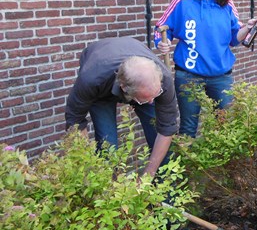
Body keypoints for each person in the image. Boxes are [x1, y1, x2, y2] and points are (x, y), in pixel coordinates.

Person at [155, 0, 257, 137]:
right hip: (189, 75)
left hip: (221, 76)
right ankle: (188, 166)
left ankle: (221, 166)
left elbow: (234, 38)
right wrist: (162, 43)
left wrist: (248, 27)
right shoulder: (183, 0)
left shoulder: (226, 3)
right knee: (188, 128)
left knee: (225, 126)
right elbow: (161, 28)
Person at [65, 37, 179, 178]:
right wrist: (89, 165)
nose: (151, 102)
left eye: (154, 96)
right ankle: (109, 192)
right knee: (108, 147)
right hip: (103, 89)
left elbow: (167, 129)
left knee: (160, 144)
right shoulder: (91, 80)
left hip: (138, 81)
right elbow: (75, 121)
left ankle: (165, 196)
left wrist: (148, 175)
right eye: (145, 99)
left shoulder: (163, 81)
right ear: (123, 88)